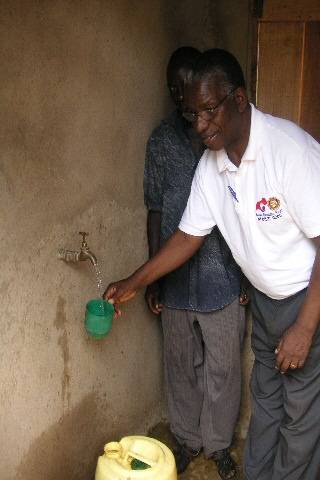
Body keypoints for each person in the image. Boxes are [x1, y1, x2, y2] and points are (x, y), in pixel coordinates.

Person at [104, 48, 320, 480]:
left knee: (301, 420)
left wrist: (304, 328)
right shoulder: (213, 165)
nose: (200, 126)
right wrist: (135, 280)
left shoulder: (289, 152)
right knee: (268, 403)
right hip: (266, 301)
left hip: (306, 300)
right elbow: (187, 236)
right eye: (192, 113)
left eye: (208, 111)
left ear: (238, 99)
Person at [143, 46, 246, 479]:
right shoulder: (162, 142)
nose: (180, 97)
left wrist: (244, 275)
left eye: (187, 87)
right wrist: (152, 277)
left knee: (224, 367)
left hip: (221, 275)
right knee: (180, 365)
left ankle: (219, 444)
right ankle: (186, 439)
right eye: (174, 88)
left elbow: (243, 215)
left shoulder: (223, 140)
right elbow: (155, 210)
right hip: (176, 278)